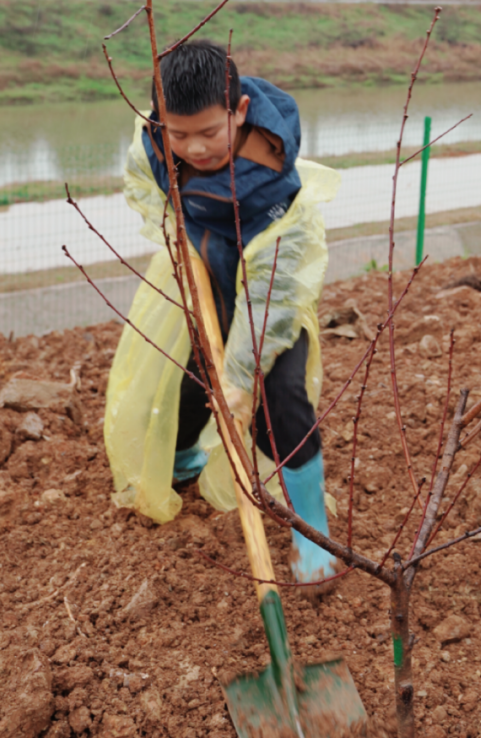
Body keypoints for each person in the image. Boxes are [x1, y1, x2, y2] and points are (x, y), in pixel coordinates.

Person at [104, 40, 343, 588]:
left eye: (209, 133)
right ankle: (185, 459)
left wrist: (241, 374)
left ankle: (313, 538)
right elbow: (145, 183)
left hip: (266, 302)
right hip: (204, 281)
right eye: (178, 134)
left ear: (237, 112)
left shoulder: (277, 189)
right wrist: (176, 234)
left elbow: (273, 298)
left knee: (277, 400)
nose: (194, 148)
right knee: (188, 383)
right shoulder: (157, 144)